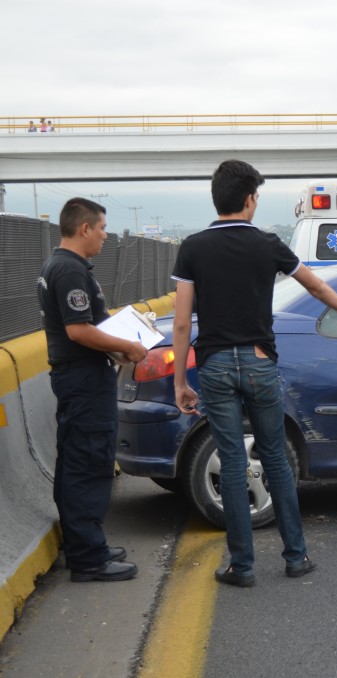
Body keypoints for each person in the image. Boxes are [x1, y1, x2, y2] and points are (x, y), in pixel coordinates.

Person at [171, 159, 337, 587]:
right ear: (249, 200)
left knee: (232, 462)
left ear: (219, 198)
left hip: (213, 366)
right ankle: (296, 558)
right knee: (276, 458)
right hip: (259, 362)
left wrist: (179, 382)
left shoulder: (192, 247)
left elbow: (180, 321)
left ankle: (241, 566)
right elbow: (317, 286)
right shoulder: (267, 244)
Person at [37, 198, 148, 582]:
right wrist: (130, 348)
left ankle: (84, 544)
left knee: (76, 461)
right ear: (84, 228)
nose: (104, 235)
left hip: (79, 378)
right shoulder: (68, 270)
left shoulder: (66, 266)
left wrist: (118, 344)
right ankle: (89, 558)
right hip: (83, 381)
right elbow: (78, 330)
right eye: (101, 228)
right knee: (89, 461)